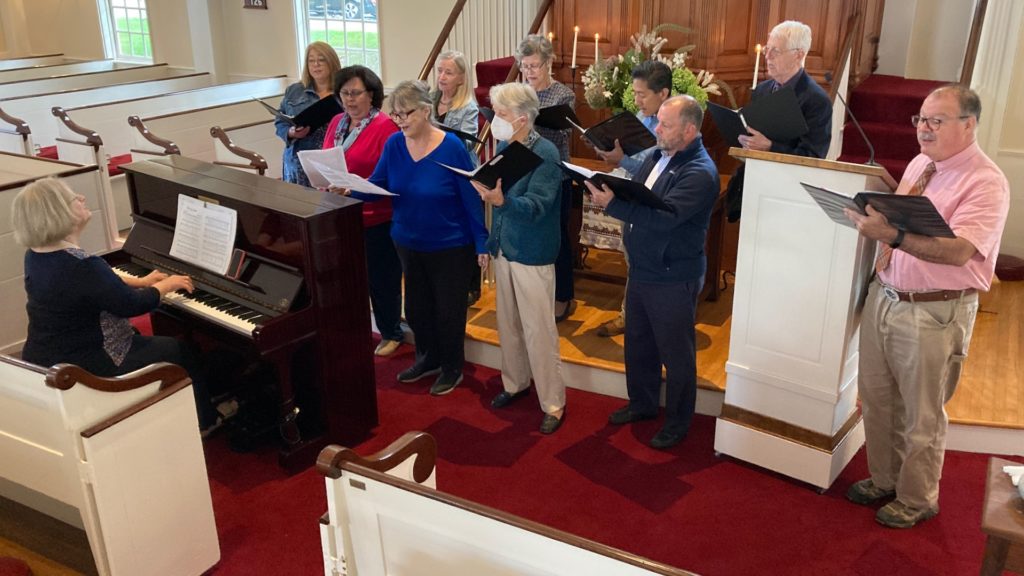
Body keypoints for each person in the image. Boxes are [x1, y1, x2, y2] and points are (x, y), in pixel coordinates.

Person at [843, 85, 1009, 528]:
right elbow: (901, 218)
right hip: (887, 293)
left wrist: (890, 236)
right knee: (877, 400)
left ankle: (917, 499)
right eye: (920, 119)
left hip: (934, 310)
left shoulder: (985, 181)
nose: (924, 129)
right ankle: (885, 478)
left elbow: (958, 253)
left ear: (968, 124)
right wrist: (867, 215)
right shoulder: (922, 164)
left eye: (936, 120)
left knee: (922, 413)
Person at [12, 177, 218, 433]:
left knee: (148, 339)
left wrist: (140, 279)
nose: (82, 198)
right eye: (74, 197)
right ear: (59, 213)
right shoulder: (83, 266)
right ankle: (204, 422)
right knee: (178, 350)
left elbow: (102, 280)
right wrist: (165, 285)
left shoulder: (37, 254)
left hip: (47, 353)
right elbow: (130, 305)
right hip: (89, 361)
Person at [586, 95, 719, 450]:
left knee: (676, 354)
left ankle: (677, 423)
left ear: (690, 130)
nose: (656, 129)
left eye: (665, 124)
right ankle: (643, 404)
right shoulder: (660, 155)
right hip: (644, 267)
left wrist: (612, 205)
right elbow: (640, 196)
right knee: (639, 343)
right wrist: (609, 188)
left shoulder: (700, 172)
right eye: (658, 121)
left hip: (673, 273)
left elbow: (664, 218)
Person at [365, 80, 488, 396]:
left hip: (450, 244)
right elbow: (376, 184)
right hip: (407, 241)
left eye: (406, 113)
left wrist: (481, 242)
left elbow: (470, 198)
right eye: (395, 115)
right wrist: (343, 187)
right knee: (418, 309)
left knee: (448, 312)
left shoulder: (452, 148)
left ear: (425, 110)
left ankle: (451, 367)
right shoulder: (394, 145)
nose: (400, 120)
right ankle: (427, 359)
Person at [472, 82, 566, 434]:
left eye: (501, 114)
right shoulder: (505, 145)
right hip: (506, 248)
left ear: (523, 119)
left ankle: (553, 403)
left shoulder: (546, 154)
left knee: (539, 331)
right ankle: (515, 383)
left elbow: (539, 208)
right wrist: (490, 241)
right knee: (508, 325)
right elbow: (499, 202)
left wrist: (502, 202)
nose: (495, 120)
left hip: (532, 252)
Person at [322, 65, 403, 357]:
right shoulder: (336, 123)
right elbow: (326, 158)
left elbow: (392, 176)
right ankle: (357, 327)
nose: (349, 99)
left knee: (382, 280)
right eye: (344, 93)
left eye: (355, 93)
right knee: (349, 279)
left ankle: (392, 331)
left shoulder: (385, 127)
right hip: (340, 214)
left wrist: (356, 186)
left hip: (376, 217)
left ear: (371, 94)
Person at [592, 60, 673, 338]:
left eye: (642, 94)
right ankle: (632, 316)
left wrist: (622, 159)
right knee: (632, 260)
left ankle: (643, 320)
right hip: (633, 196)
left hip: (655, 203)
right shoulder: (641, 119)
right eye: (634, 93)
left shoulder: (672, 126)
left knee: (650, 264)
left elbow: (660, 169)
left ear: (663, 94)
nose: (636, 100)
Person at [725, 20, 832, 221]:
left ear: (798, 54)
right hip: (755, 184)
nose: (767, 57)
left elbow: (814, 156)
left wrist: (770, 147)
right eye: (767, 50)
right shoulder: (763, 90)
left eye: (776, 51)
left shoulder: (816, 100)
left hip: (788, 195)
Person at [516, 34, 576, 322]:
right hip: (523, 171)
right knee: (530, 230)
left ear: (549, 63)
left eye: (535, 65)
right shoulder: (518, 92)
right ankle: (533, 292)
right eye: (525, 66)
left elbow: (563, 133)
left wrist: (530, 119)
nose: (529, 72)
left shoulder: (562, 94)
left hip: (554, 173)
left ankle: (563, 296)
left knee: (558, 235)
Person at [429, 50, 484, 305]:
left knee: (466, 226)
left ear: (461, 78)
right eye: (440, 71)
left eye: (448, 72)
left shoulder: (468, 107)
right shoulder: (429, 100)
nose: (442, 77)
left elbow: (469, 146)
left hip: (461, 174)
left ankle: (472, 284)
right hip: (434, 170)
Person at [276, 41, 342, 187]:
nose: (315, 64)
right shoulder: (294, 90)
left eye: (321, 60)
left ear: (332, 62)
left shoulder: (343, 92)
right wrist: (291, 132)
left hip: (327, 162)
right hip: (296, 161)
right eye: (311, 60)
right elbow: (280, 122)